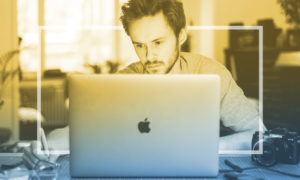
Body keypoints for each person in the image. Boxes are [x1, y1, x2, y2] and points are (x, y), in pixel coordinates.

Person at [47, 0, 263, 151]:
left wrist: (204, 149)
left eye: (158, 43)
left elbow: (259, 135)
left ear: (181, 36)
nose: (149, 56)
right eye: (139, 45)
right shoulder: (122, 82)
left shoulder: (212, 73)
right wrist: (44, 146)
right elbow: (74, 134)